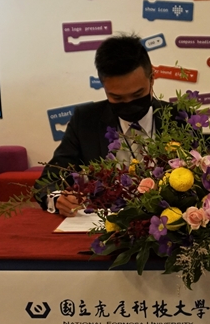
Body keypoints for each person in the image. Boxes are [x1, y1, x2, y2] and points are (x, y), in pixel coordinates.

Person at [37, 35, 174, 216]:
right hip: (104, 225)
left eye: (137, 94)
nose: (129, 103)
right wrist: (57, 198)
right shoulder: (85, 120)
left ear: (152, 79)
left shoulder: (179, 118)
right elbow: (49, 180)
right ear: (104, 87)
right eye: (117, 97)